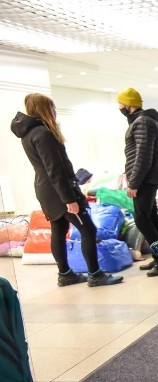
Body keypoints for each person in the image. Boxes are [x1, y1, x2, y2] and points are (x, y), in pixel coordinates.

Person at [11, 94, 123, 287]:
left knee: (59, 229)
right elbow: (54, 169)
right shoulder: (43, 133)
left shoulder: (29, 133)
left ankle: (65, 274)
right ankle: (96, 275)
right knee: (88, 229)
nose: (55, 111)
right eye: (52, 107)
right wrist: (69, 199)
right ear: (44, 108)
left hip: (46, 190)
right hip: (58, 192)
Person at [116, 87, 158, 277]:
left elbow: (143, 156)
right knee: (151, 217)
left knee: (141, 219)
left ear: (129, 105)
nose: (119, 107)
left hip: (145, 179)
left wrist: (134, 183)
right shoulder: (141, 121)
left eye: (121, 104)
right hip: (145, 178)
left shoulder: (143, 122)